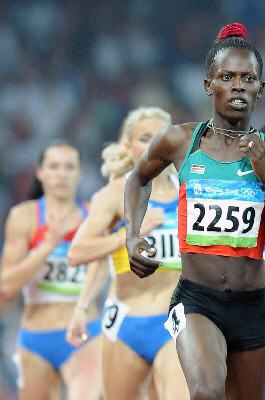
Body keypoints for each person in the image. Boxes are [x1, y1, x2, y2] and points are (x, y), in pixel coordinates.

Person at [124, 23, 265, 400]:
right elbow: (137, 179)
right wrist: (132, 235)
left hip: (253, 304)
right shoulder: (178, 141)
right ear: (209, 85)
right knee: (206, 392)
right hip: (196, 299)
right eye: (227, 77)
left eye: (247, 78)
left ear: (261, 88)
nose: (238, 86)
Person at [67, 107, 188, 400]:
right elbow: (79, 253)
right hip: (124, 322)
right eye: (144, 137)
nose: (153, 144)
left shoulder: (191, 190)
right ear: (127, 146)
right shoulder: (113, 196)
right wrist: (131, 234)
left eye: (160, 137)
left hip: (175, 318)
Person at [0, 141, 101, 400]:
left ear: (80, 173)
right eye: (54, 167)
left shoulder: (95, 216)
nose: (61, 174)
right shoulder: (25, 218)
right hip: (37, 339)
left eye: (69, 167)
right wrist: (46, 249)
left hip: (85, 333)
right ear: (40, 173)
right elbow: (6, 287)